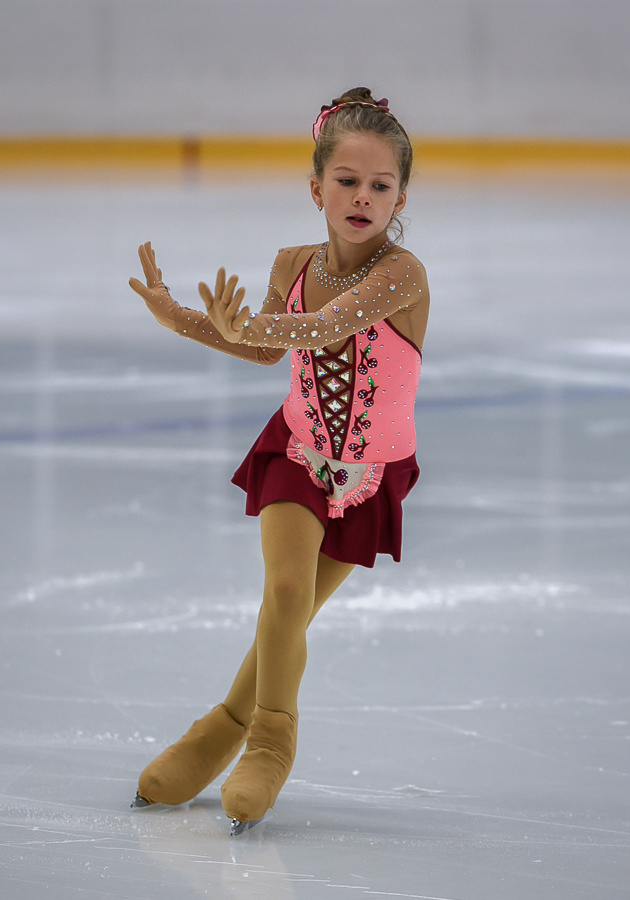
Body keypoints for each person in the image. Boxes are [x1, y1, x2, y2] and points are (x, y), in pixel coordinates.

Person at [128, 87, 430, 833]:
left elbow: (325, 324)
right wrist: (184, 320)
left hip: (371, 471)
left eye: (380, 185)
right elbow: (266, 347)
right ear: (315, 187)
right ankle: (269, 738)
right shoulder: (291, 261)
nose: (362, 197)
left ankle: (220, 729)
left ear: (399, 197)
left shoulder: (401, 275)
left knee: (286, 614)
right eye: (347, 181)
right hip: (296, 448)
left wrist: (253, 319)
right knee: (287, 592)